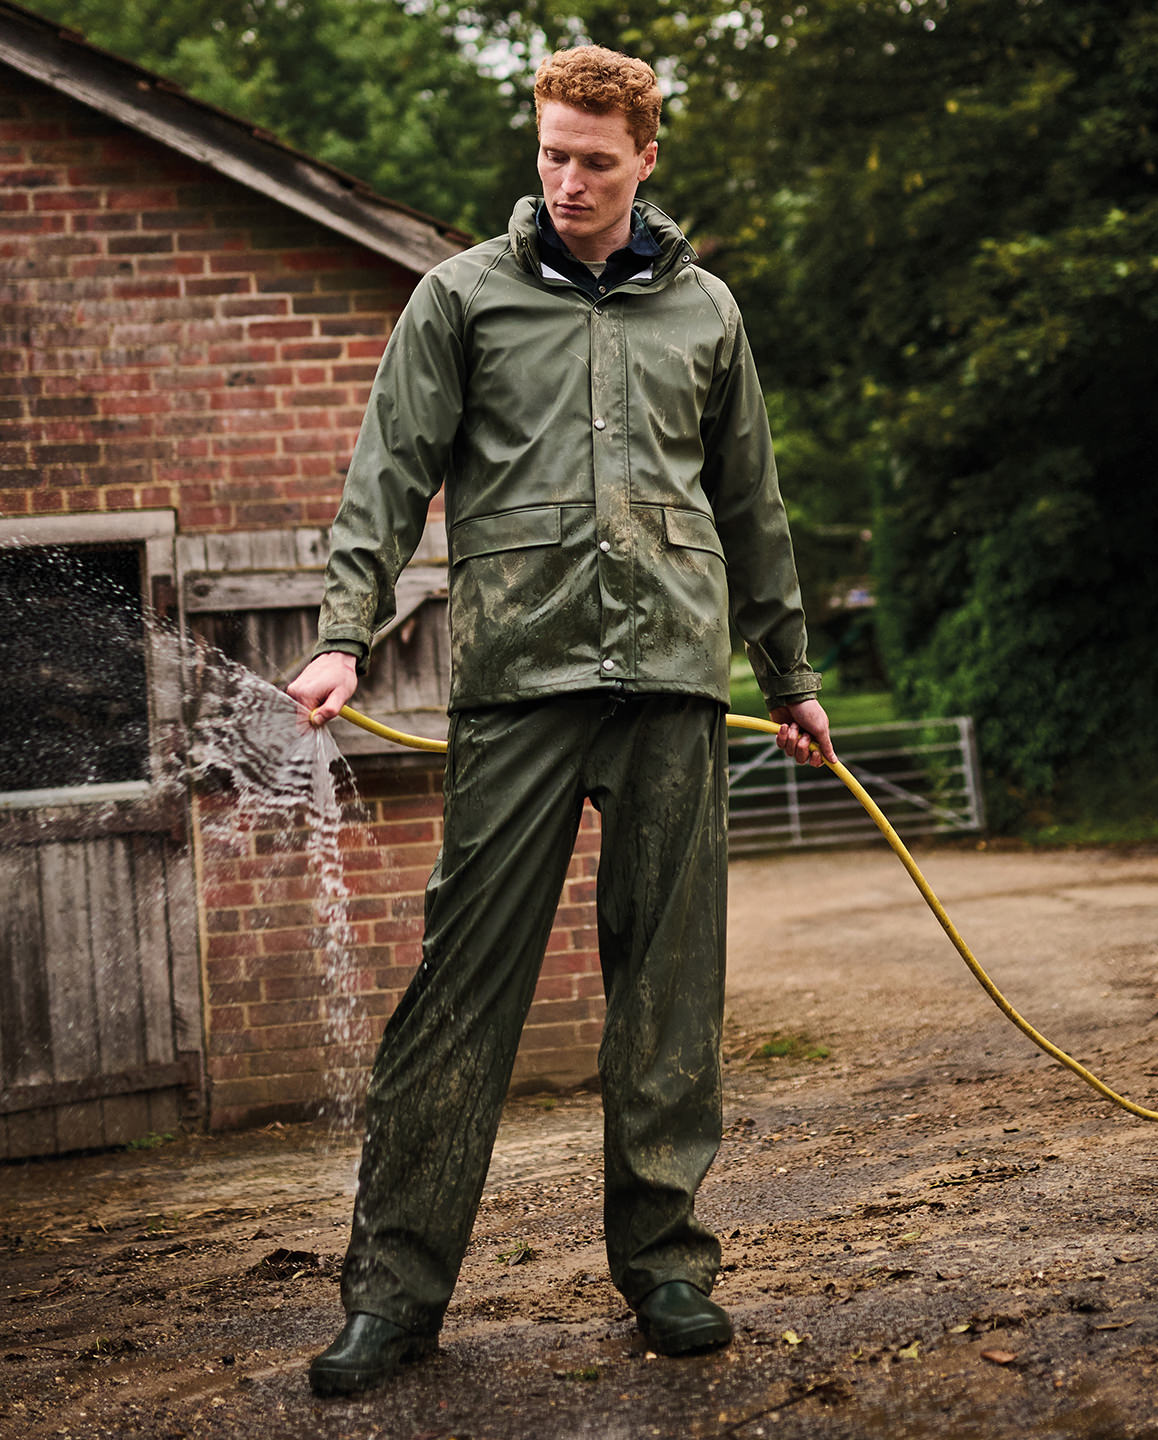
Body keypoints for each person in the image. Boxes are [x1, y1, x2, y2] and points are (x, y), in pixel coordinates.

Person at [288, 45, 837, 1398]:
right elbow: (388, 473)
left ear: (646, 159)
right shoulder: (462, 297)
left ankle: (667, 1268)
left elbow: (750, 499)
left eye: (597, 160)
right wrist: (344, 634)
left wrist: (790, 675)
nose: (570, 180)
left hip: (671, 684)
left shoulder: (705, 312)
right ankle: (394, 1296)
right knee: (459, 990)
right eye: (552, 154)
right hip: (519, 685)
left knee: (668, 988)